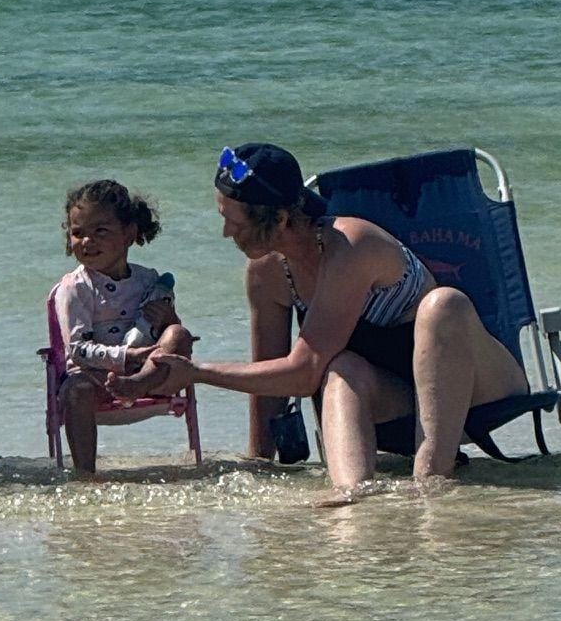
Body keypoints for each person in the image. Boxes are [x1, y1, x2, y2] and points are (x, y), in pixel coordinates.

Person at [133, 142, 526, 502]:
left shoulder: (353, 245)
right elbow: (271, 380)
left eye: (235, 223)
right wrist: (260, 464)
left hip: (477, 386)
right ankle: (352, 499)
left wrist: (198, 372)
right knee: (341, 369)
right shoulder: (267, 271)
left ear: (282, 218)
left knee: (443, 304)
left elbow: (303, 374)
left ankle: (430, 483)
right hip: (398, 396)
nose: (225, 233)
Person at [53, 178, 195, 477]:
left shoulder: (148, 280)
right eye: (78, 233)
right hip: (95, 377)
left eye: (100, 231)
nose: (87, 241)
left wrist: (168, 319)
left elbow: (164, 338)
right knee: (74, 390)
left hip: (149, 373)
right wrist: (125, 358)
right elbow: (77, 351)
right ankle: (85, 476)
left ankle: (140, 383)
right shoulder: (76, 287)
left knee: (179, 334)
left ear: (130, 233)